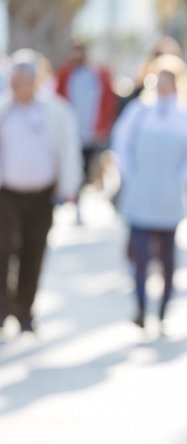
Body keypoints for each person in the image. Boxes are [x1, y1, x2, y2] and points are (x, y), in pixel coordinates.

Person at [111, 54, 187, 333]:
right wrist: (130, 175)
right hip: (141, 191)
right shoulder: (139, 112)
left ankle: (164, 306)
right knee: (140, 254)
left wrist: (182, 179)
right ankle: (141, 307)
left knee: (167, 255)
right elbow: (122, 144)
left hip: (170, 193)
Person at [0, 49, 82, 334]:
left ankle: (24, 310)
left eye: (21, 80)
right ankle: (2, 309)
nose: (15, 86)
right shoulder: (4, 110)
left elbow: (68, 150)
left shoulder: (55, 112)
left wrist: (69, 186)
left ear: (35, 81)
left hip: (42, 194)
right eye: (13, 80)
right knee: (3, 251)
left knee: (32, 252)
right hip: (7, 194)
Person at [55, 40, 118, 223]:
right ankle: (75, 204)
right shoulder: (66, 74)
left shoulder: (97, 74)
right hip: (70, 132)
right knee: (74, 166)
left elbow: (108, 101)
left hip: (90, 131)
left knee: (87, 168)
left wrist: (103, 126)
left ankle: (79, 201)